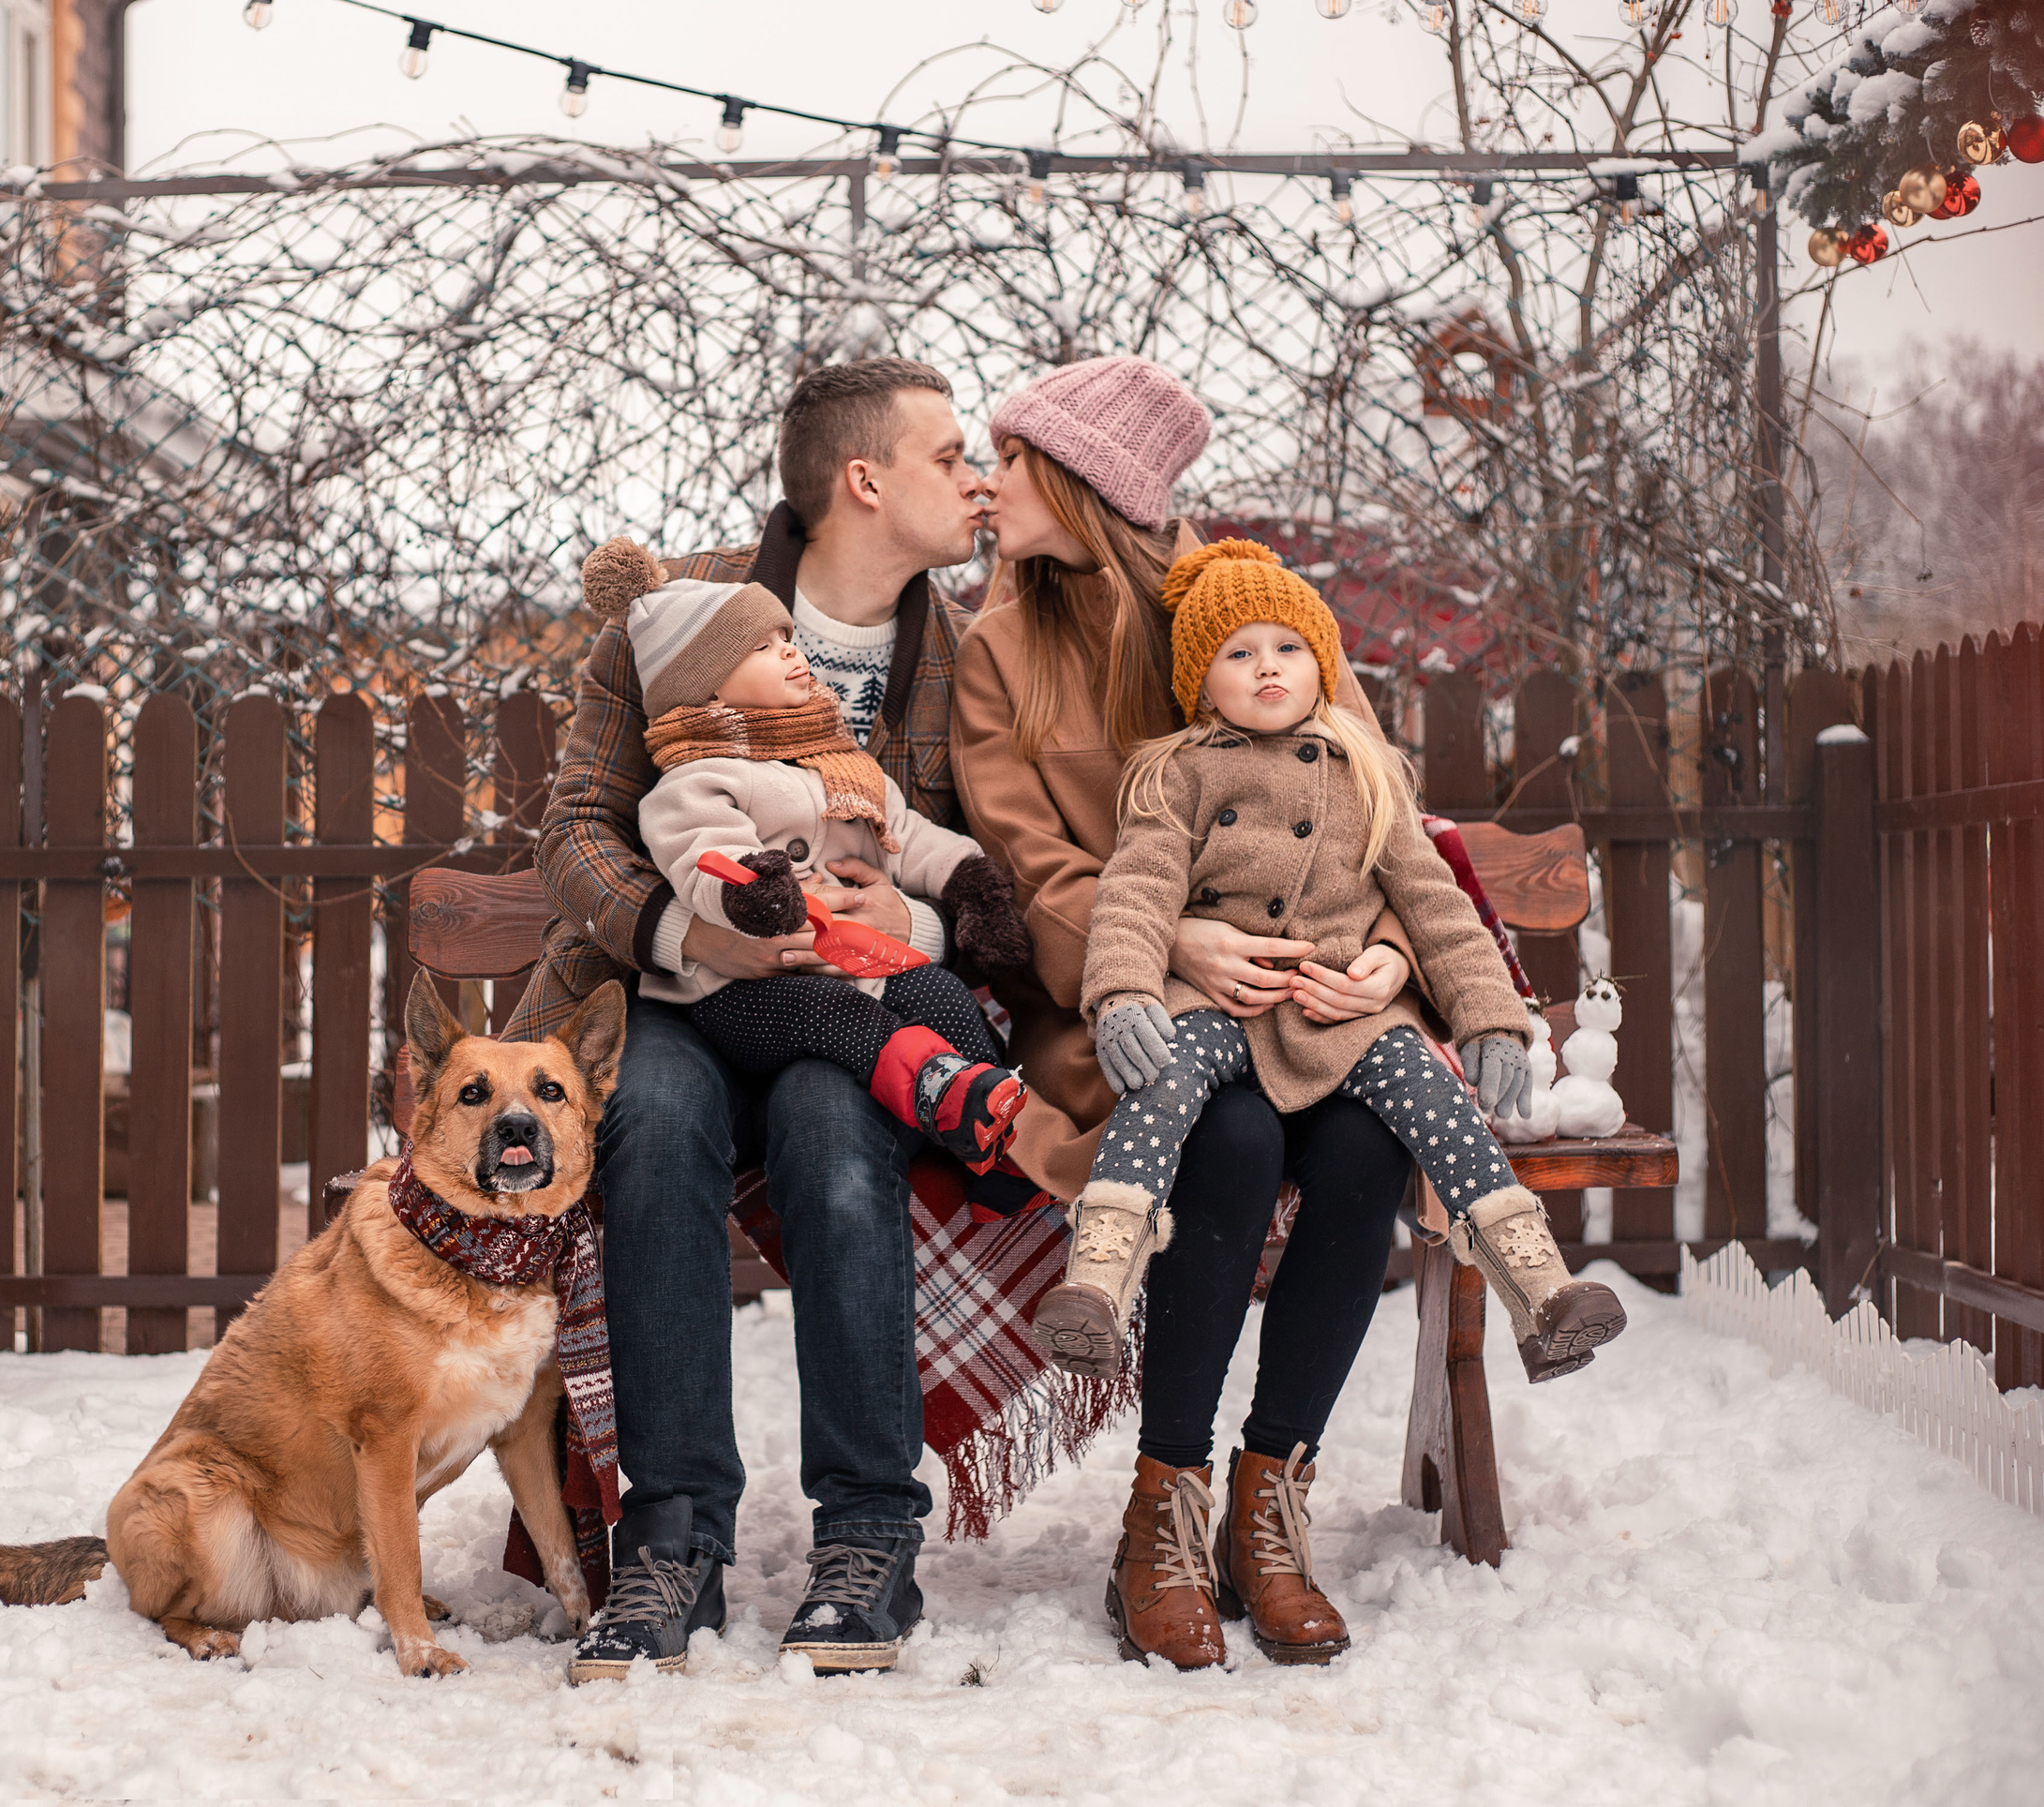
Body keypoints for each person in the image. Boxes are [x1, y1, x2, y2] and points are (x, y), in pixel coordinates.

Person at [503, 357, 989, 1681]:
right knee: (652, 1123)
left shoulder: (965, 654)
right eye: (953, 456)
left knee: (840, 1132)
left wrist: (906, 931)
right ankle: (670, 1536)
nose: (980, 479)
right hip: (670, 983)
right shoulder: (685, 610)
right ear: (864, 479)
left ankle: (869, 1536)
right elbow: (577, 830)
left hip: (843, 998)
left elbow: (966, 859)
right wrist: (685, 929)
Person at [951, 353, 1426, 1673]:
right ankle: (1162, 1505)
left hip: (1310, 988)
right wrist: (1175, 941)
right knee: (1225, 1138)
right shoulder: (998, 650)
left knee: (1361, 1143)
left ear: (1087, 481)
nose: (989, 485)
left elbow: (1376, 806)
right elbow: (1029, 868)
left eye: (1014, 458)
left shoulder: (1248, 610)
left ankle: (1269, 1500)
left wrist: (1388, 954)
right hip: (1124, 1007)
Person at [1039, 534, 1628, 1392]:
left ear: (1322, 664)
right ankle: (1096, 1281)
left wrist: (1490, 1016)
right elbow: (1136, 893)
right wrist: (1126, 991)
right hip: (1220, 1006)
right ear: (1200, 678)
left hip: (1344, 1014)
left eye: (1289, 648)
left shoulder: (1367, 772)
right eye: (1239, 653)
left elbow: (1436, 907)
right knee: (1157, 1080)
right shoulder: (1174, 775)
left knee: (1438, 1102)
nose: (1268, 668)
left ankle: (1541, 1291)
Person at [579, 533, 1033, 1173]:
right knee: (839, 1017)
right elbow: (703, 854)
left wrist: (968, 884)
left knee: (940, 995)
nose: (790, 651)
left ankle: (1001, 1147)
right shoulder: (696, 780)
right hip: (738, 993)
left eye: (784, 637)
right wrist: (751, 891)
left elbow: (903, 833)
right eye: (761, 647)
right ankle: (939, 1091)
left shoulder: (838, 764)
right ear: (708, 691)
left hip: (852, 962)